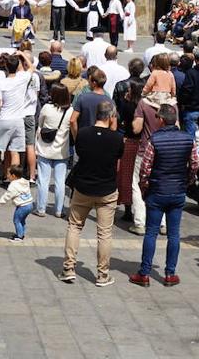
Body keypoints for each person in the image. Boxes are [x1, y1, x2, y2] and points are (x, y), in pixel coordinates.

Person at [129, 103, 197, 287]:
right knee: (174, 234)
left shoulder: (155, 140)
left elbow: (145, 168)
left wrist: (145, 187)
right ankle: (170, 273)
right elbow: (194, 164)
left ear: (161, 120)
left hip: (157, 190)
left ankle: (144, 273)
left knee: (151, 233)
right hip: (177, 191)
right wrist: (187, 181)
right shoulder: (187, 139)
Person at [60, 100, 123, 287]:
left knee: (74, 226)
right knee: (104, 233)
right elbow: (118, 158)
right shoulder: (116, 138)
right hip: (107, 189)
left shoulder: (83, 134)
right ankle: (102, 275)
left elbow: (80, 152)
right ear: (111, 116)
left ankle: (69, 268)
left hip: (83, 187)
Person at [0, 53, 31, 190]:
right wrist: (22, 54)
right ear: (18, 66)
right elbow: (31, 67)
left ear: (6, 66)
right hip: (18, 120)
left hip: (5, 117)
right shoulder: (23, 78)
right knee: (15, 151)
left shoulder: (2, 82)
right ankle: (14, 181)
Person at [35, 83, 73, 218]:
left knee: (43, 180)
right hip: (61, 150)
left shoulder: (46, 108)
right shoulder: (70, 111)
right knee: (60, 182)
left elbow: (40, 124)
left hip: (45, 148)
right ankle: (59, 210)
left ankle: (40, 208)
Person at [0, 163, 34, 241]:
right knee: (22, 220)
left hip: (22, 206)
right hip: (30, 204)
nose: (7, 175)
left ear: (13, 176)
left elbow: (6, 196)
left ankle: (19, 236)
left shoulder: (13, 185)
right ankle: (21, 233)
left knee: (17, 220)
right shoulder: (24, 181)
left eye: (8, 174)